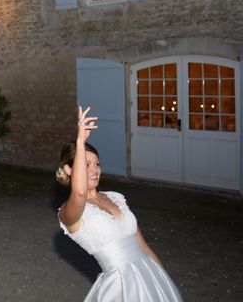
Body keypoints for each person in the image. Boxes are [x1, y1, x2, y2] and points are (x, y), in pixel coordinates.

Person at [56, 106, 182, 301]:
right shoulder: (69, 212)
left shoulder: (115, 197)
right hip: (121, 286)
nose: (94, 169)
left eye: (97, 163)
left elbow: (143, 246)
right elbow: (80, 192)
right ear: (69, 170)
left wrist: (164, 280)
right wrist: (80, 141)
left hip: (151, 278)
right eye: (86, 164)